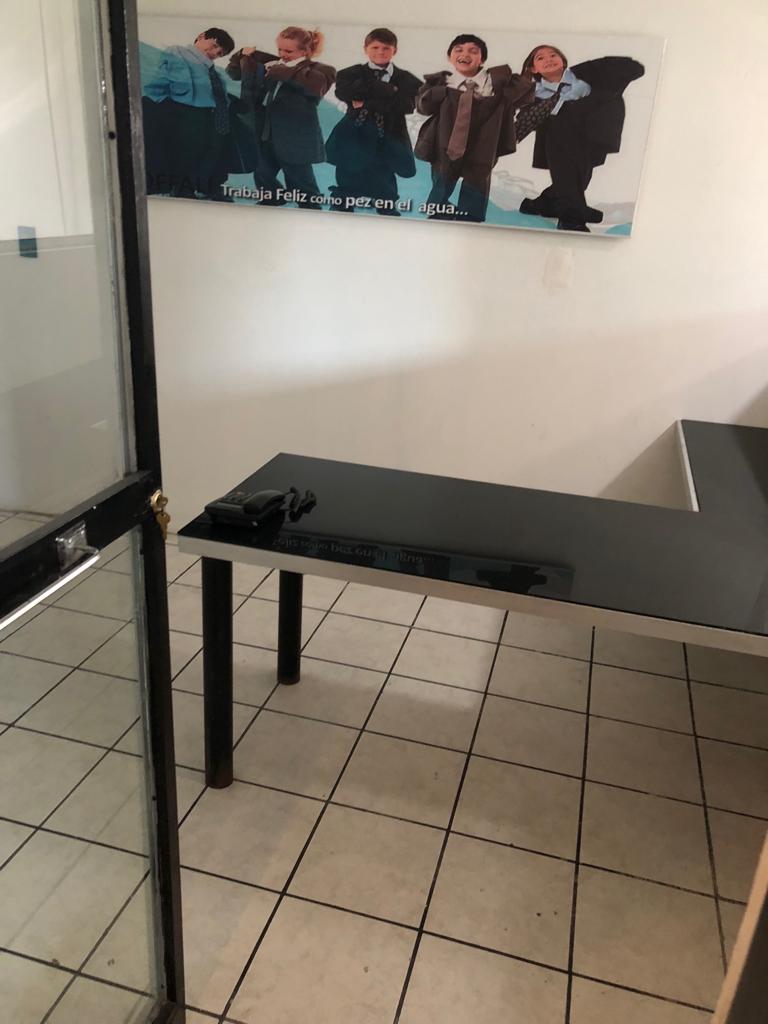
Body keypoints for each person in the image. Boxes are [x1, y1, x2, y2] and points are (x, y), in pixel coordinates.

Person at [515, 45, 645, 231]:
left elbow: (627, 70)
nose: (548, 59)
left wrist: (628, 70)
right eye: (540, 58)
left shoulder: (583, 76)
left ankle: (542, 204)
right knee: (566, 175)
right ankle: (571, 219)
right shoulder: (534, 93)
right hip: (557, 135)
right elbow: (525, 118)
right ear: (533, 68)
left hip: (587, 134)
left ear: (563, 61)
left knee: (582, 176)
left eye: (553, 55)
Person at [414, 34, 533, 223]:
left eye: (473, 51)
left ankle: (470, 220)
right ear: (449, 57)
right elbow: (423, 108)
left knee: (477, 184)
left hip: (484, 144)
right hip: (445, 143)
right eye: (458, 50)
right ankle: (439, 211)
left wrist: (527, 76)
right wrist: (440, 93)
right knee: (441, 182)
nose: (465, 54)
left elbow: (525, 96)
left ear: (482, 59)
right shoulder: (440, 83)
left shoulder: (498, 83)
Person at [228, 27, 335, 208]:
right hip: (264, 132)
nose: (283, 54)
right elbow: (234, 73)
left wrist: (279, 70)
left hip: (294, 137)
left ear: (305, 51)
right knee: (262, 172)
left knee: (301, 182)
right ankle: (272, 199)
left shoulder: (321, 70)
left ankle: (311, 210)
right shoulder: (271, 62)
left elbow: (316, 87)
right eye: (280, 49)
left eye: (289, 51)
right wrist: (241, 55)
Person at [326, 28, 422, 215]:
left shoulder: (407, 79)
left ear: (395, 50)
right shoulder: (350, 73)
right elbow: (344, 93)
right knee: (347, 175)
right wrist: (389, 90)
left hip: (389, 135)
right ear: (365, 49)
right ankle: (341, 208)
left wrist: (366, 102)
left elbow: (406, 105)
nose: (380, 52)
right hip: (354, 134)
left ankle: (386, 209)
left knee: (385, 179)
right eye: (375, 47)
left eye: (386, 48)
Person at [142, 27, 236, 200]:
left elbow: (220, 93)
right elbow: (173, 83)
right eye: (214, 45)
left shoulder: (213, 70)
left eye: (220, 53)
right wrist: (166, 103)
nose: (214, 53)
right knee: (189, 150)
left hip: (214, 114)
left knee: (214, 151)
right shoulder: (179, 53)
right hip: (189, 110)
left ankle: (208, 185)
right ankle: (182, 188)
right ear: (201, 36)